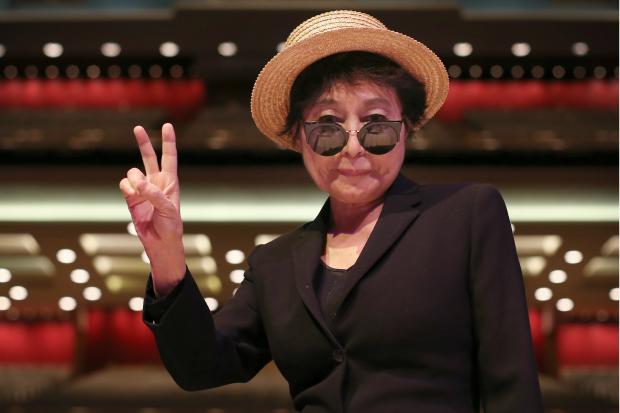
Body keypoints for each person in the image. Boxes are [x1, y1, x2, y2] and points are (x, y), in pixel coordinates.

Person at [118, 10, 544, 413]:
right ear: (298, 139)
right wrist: (167, 257)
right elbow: (201, 366)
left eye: (376, 124)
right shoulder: (274, 263)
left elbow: (512, 386)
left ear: (407, 128)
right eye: (327, 126)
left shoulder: (466, 215)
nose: (353, 147)